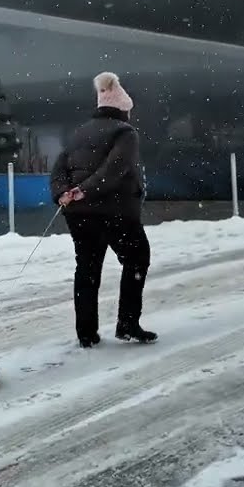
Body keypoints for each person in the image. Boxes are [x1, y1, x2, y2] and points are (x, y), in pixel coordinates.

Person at [49, 71, 157, 348]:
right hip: (115, 211)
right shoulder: (125, 132)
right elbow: (116, 169)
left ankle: (86, 334)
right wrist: (86, 189)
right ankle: (127, 324)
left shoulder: (78, 132)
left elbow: (59, 168)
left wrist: (63, 193)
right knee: (136, 259)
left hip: (78, 214)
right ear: (123, 109)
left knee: (86, 268)